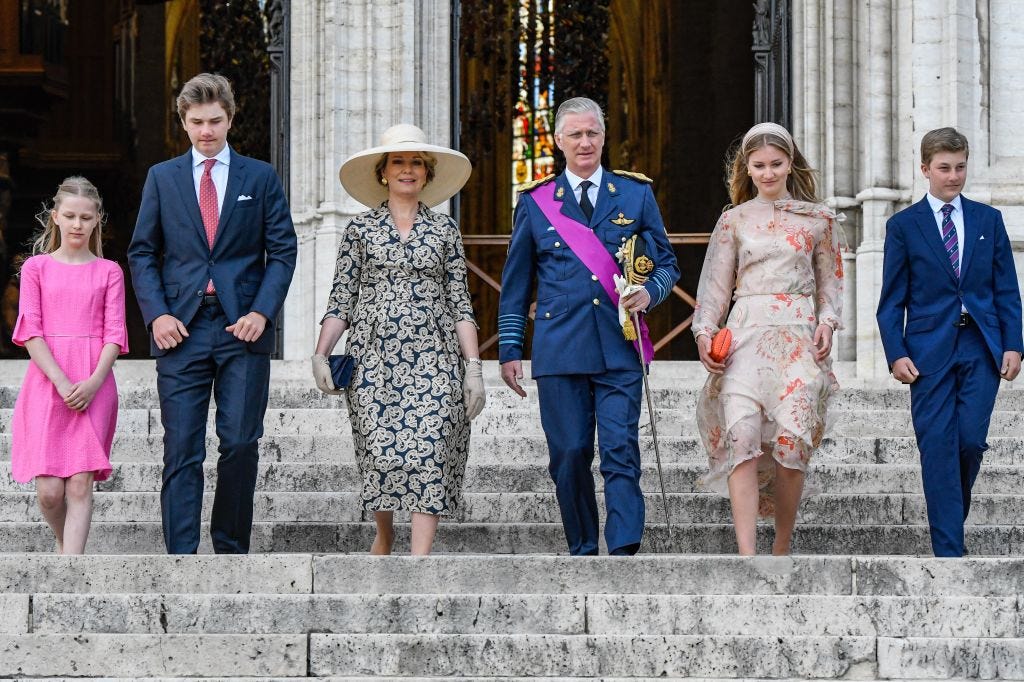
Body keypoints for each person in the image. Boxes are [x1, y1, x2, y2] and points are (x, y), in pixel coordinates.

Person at [498, 97, 679, 556]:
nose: (585, 142)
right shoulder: (537, 203)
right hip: (560, 349)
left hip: (620, 345)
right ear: (558, 141)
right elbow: (516, 282)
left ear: (604, 137)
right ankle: (582, 545)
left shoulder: (635, 194)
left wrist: (649, 293)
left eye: (592, 133)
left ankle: (622, 548)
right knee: (570, 454)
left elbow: (666, 264)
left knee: (620, 450)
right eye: (575, 134)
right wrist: (510, 348)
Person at [128, 73, 297, 554]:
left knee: (241, 442)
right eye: (197, 122)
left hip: (242, 329)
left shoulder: (259, 177)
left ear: (231, 118)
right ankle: (181, 555)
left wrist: (262, 313)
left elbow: (282, 251)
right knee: (181, 448)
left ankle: (230, 550)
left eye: (215, 121)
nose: (207, 131)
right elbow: (142, 253)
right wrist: (157, 314)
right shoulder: (162, 178)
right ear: (183, 122)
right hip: (179, 331)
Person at [312, 123, 484, 556]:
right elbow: (342, 299)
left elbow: (460, 301)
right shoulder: (360, 231)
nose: (407, 170)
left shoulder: (444, 231)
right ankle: (385, 534)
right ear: (383, 172)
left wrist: (474, 367)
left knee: (430, 450)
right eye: (398, 162)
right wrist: (320, 354)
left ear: (426, 174)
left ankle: (420, 560)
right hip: (374, 360)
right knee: (382, 453)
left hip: (435, 357)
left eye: (416, 163)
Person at [693, 122, 843, 556]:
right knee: (743, 437)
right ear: (747, 168)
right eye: (758, 166)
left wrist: (827, 322)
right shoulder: (733, 221)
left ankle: (780, 547)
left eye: (776, 164)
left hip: (798, 336)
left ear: (790, 163)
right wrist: (705, 334)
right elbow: (714, 290)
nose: (768, 173)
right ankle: (746, 555)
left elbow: (830, 284)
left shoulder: (818, 220)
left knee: (792, 442)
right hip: (744, 336)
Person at [877, 127, 1022, 557]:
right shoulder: (903, 226)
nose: (954, 176)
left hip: (981, 346)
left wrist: (1013, 344)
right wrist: (895, 352)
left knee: (970, 441)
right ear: (925, 169)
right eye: (944, 168)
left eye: (960, 167)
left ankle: (947, 519)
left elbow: (1006, 289)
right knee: (937, 444)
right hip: (927, 350)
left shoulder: (987, 220)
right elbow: (891, 299)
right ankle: (949, 550)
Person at [11, 176, 128, 554]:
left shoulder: (109, 271)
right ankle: (65, 547)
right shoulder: (36, 268)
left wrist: (94, 382)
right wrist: (62, 382)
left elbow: (114, 334)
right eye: (70, 216)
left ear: (97, 221)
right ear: (56, 218)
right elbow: (31, 331)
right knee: (48, 493)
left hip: (94, 381)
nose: (78, 224)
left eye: (86, 217)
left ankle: (70, 572)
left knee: (80, 484)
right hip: (48, 382)